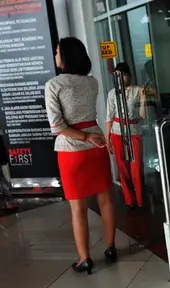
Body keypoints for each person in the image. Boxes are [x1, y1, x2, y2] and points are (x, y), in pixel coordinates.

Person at [45, 37, 117, 275]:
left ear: (65, 56)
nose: (55, 56)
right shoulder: (92, 82)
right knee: (105, 199)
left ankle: (84, 259)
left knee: (78, 208)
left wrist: (83, 138)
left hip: (71, 151)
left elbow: (57, 126)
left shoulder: (54, 85)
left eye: (57, 52)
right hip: (97, 146)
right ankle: (110, 247)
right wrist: (90, 137)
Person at [105, 63, 146, 209]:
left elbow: (143, 116)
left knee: (135, 167)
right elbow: (109, 117)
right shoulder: (112, 94)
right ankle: (130, 199)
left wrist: (143, 101)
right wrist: (107, 139)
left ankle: (141, 199)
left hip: (134, 131)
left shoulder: (137, 91)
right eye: (116, 76)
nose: (120, 78)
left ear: (129, 75)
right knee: (122, 167)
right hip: (116, 131)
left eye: (123, 75)